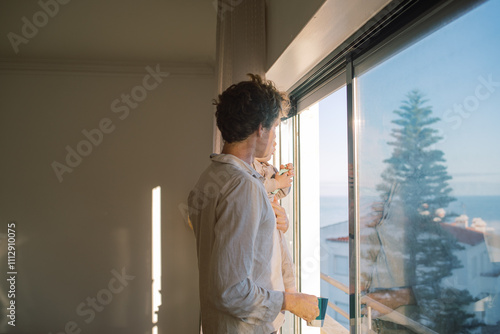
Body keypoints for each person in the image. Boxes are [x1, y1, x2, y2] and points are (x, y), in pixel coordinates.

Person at [188, 74, 319, 333]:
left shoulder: (211, 176)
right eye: (275, 127)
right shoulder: (243, 186)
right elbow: (231, 291)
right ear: (261, 128)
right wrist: (291, 301)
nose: (273, 137)